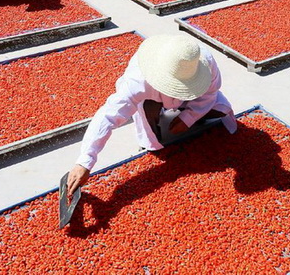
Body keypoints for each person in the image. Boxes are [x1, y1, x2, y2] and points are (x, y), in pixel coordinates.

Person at [67, 34, 237, 195]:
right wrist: (85, 161)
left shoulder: (205, 64)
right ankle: (153, 134)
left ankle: (179, 116)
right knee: (146, 107)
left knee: (220, 110)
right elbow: (109, 115)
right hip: (151, 98)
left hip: (193, 98)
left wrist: (188, 118)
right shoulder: (139, 80)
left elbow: (209, 94)